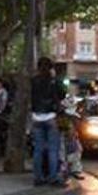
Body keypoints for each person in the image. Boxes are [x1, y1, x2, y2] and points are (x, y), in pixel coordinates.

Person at [30, 57, 65, 186]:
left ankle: (38, 177)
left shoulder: (33, 81)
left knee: (38, 149)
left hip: (36, 117)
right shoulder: (53, 81)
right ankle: (53, 177)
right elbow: (62, 94)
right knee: (52, 149)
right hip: (51, 116)